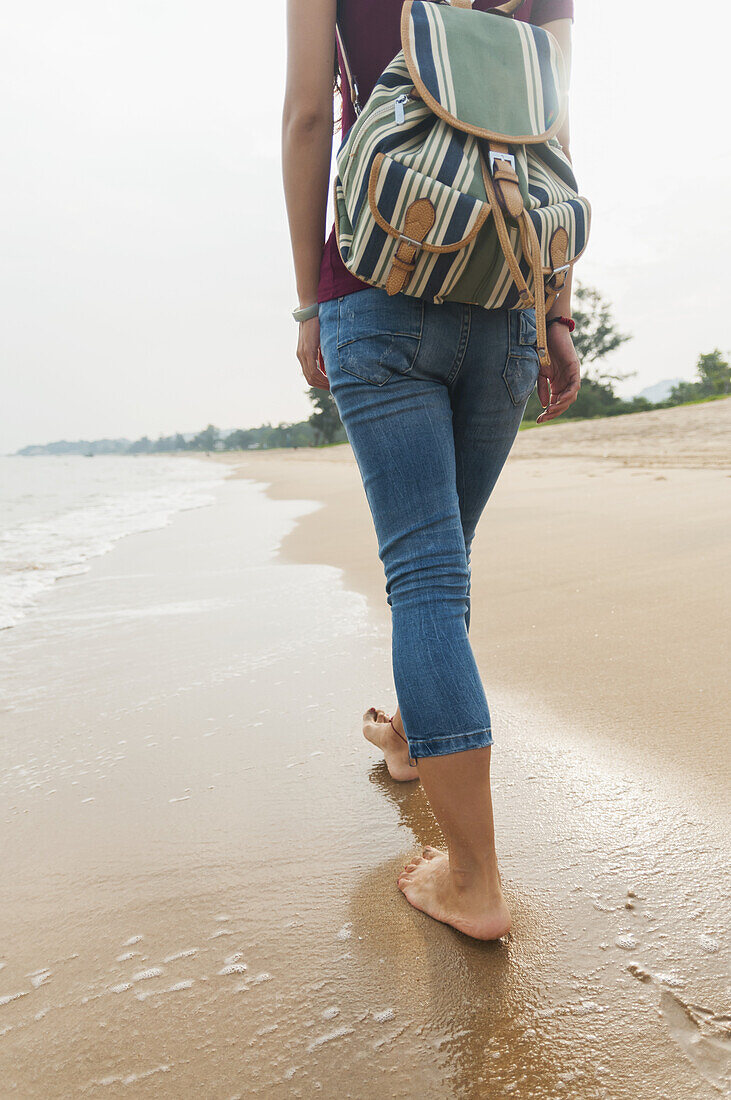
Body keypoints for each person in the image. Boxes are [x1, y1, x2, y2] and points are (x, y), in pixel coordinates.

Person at [282, 0, 580, 940]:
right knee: (443, 559)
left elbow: (305, 118)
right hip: (503, 293)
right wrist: (558, 314)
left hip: (375, 280)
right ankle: (414, 737)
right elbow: (551, 131)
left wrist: (306, 305)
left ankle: (475, 883)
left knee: (424, 573)